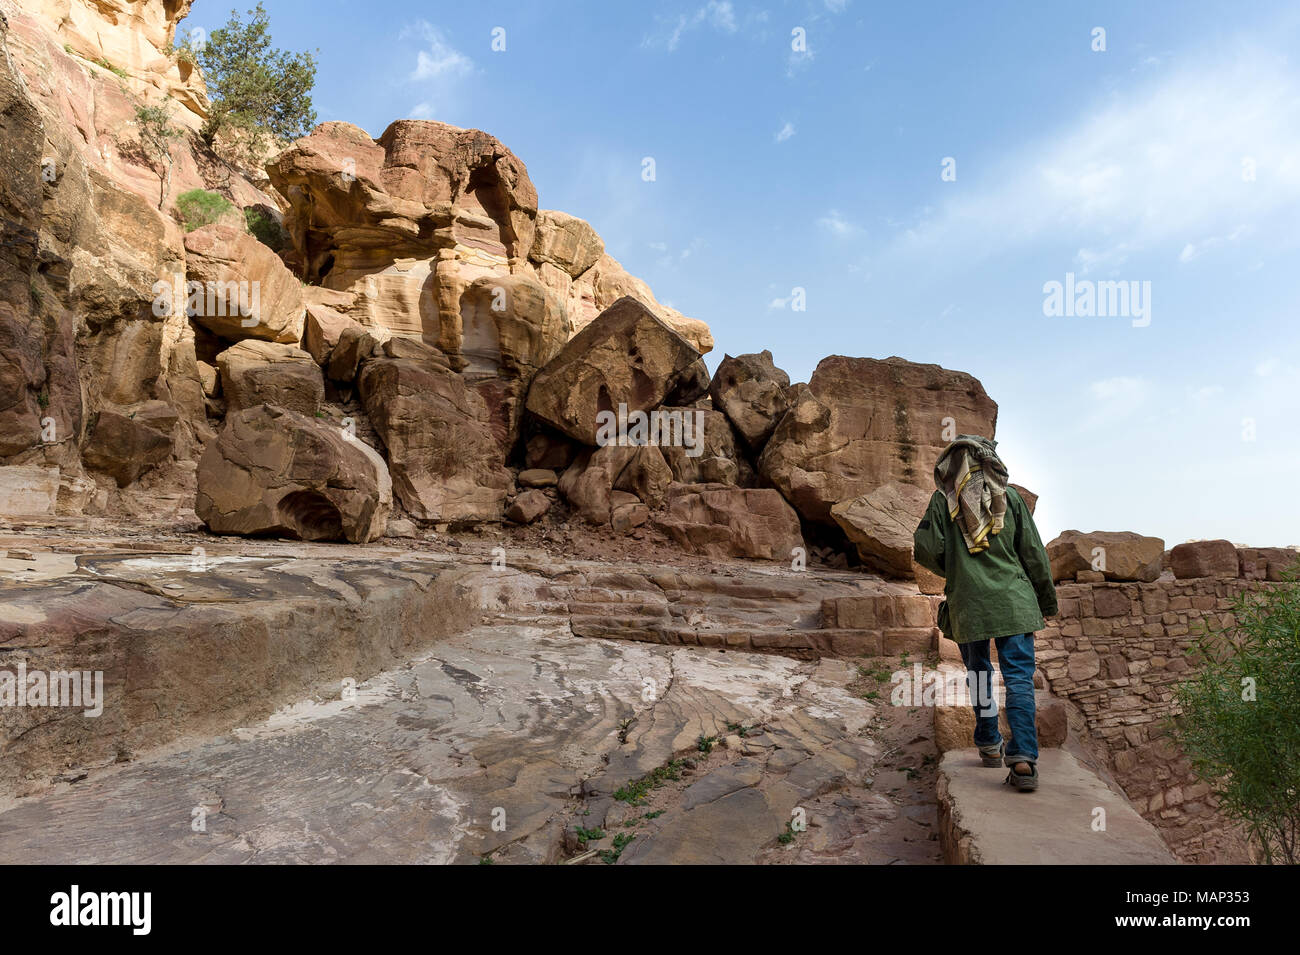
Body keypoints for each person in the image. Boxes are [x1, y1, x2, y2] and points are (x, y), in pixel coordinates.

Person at [912, 434, 1057, 792]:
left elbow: (926, 549)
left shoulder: (943, 502)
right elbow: (1034, 554)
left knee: (978, 673)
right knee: (1019, 678)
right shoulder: (1010, 500)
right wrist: (1046, 601)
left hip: (969, 603)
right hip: (1014, 602)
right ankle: (1023, 759)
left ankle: (990, 745)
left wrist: (958, 568)